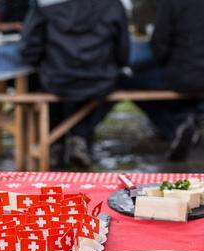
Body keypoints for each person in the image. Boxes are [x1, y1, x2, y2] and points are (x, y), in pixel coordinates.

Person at [21, 0, 130, 168]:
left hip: (56, 79)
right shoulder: (114, 4)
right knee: (123, 82)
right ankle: (79, 135)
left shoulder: (44, 4)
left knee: (40, 82)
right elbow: (123, 51)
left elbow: (29, 49)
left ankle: (56, 142)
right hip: (100, 79)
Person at [122, 0, 204, 161]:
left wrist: (166, 61)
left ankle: (174, 127)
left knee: (131, 81)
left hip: (181, 77)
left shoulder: (171, 3)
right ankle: (187, 119)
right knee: (186, 81)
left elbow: (158, 43)